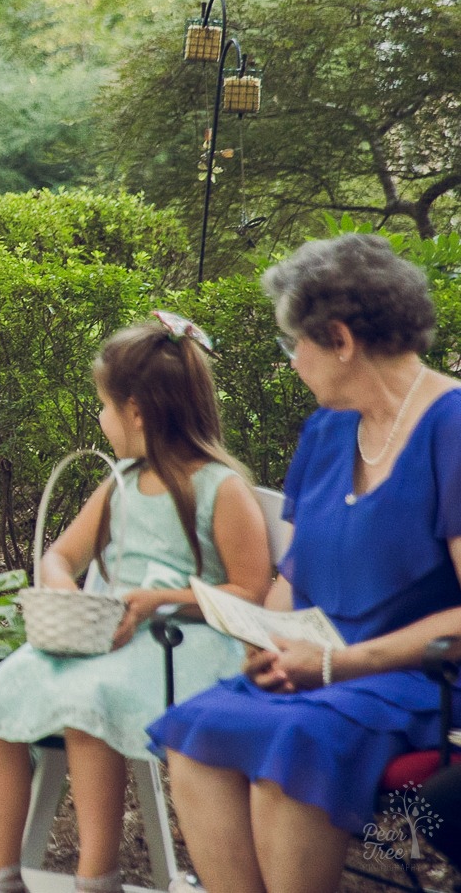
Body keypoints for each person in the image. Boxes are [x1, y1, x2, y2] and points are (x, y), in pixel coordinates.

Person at [146, 234, 461, 893]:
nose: (293, 364)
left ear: (341, 339)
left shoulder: (451, 428)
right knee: (195, 733)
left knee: (292, 747)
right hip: (321, 669)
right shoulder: (326, 429)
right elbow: (295, 574)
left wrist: (339, 663)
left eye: (296, 345)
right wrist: (269, 637)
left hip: (420, 676)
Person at [0, 314, 274, 893]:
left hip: (184, 642)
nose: (100, 420)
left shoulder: (219, 488)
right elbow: (60, 556)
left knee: (89, 703)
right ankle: (1, 878)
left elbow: (249, 593)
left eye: (104, 407)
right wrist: (65, 594)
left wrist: (159, 598)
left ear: (137, 412)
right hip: (106, 637)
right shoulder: (121, 483)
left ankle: (95, 877)